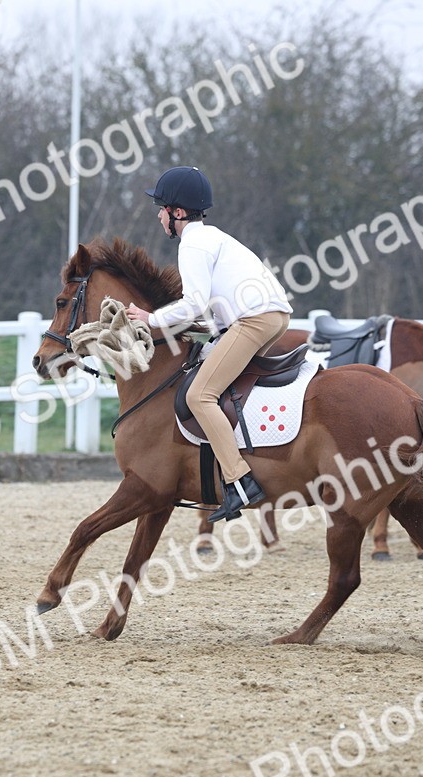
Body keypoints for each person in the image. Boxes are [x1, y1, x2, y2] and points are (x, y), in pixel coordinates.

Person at [125, 166, 293, 522]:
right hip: (272, 317)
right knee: (224, 389)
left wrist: (149, 319)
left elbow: (195, 303)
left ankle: (239, 481)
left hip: (254, 320)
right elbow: (211, 309)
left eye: (161, 208)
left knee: (198, 395)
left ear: (178, 213)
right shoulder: (214, 237)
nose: (158, 215)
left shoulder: (193, 244)